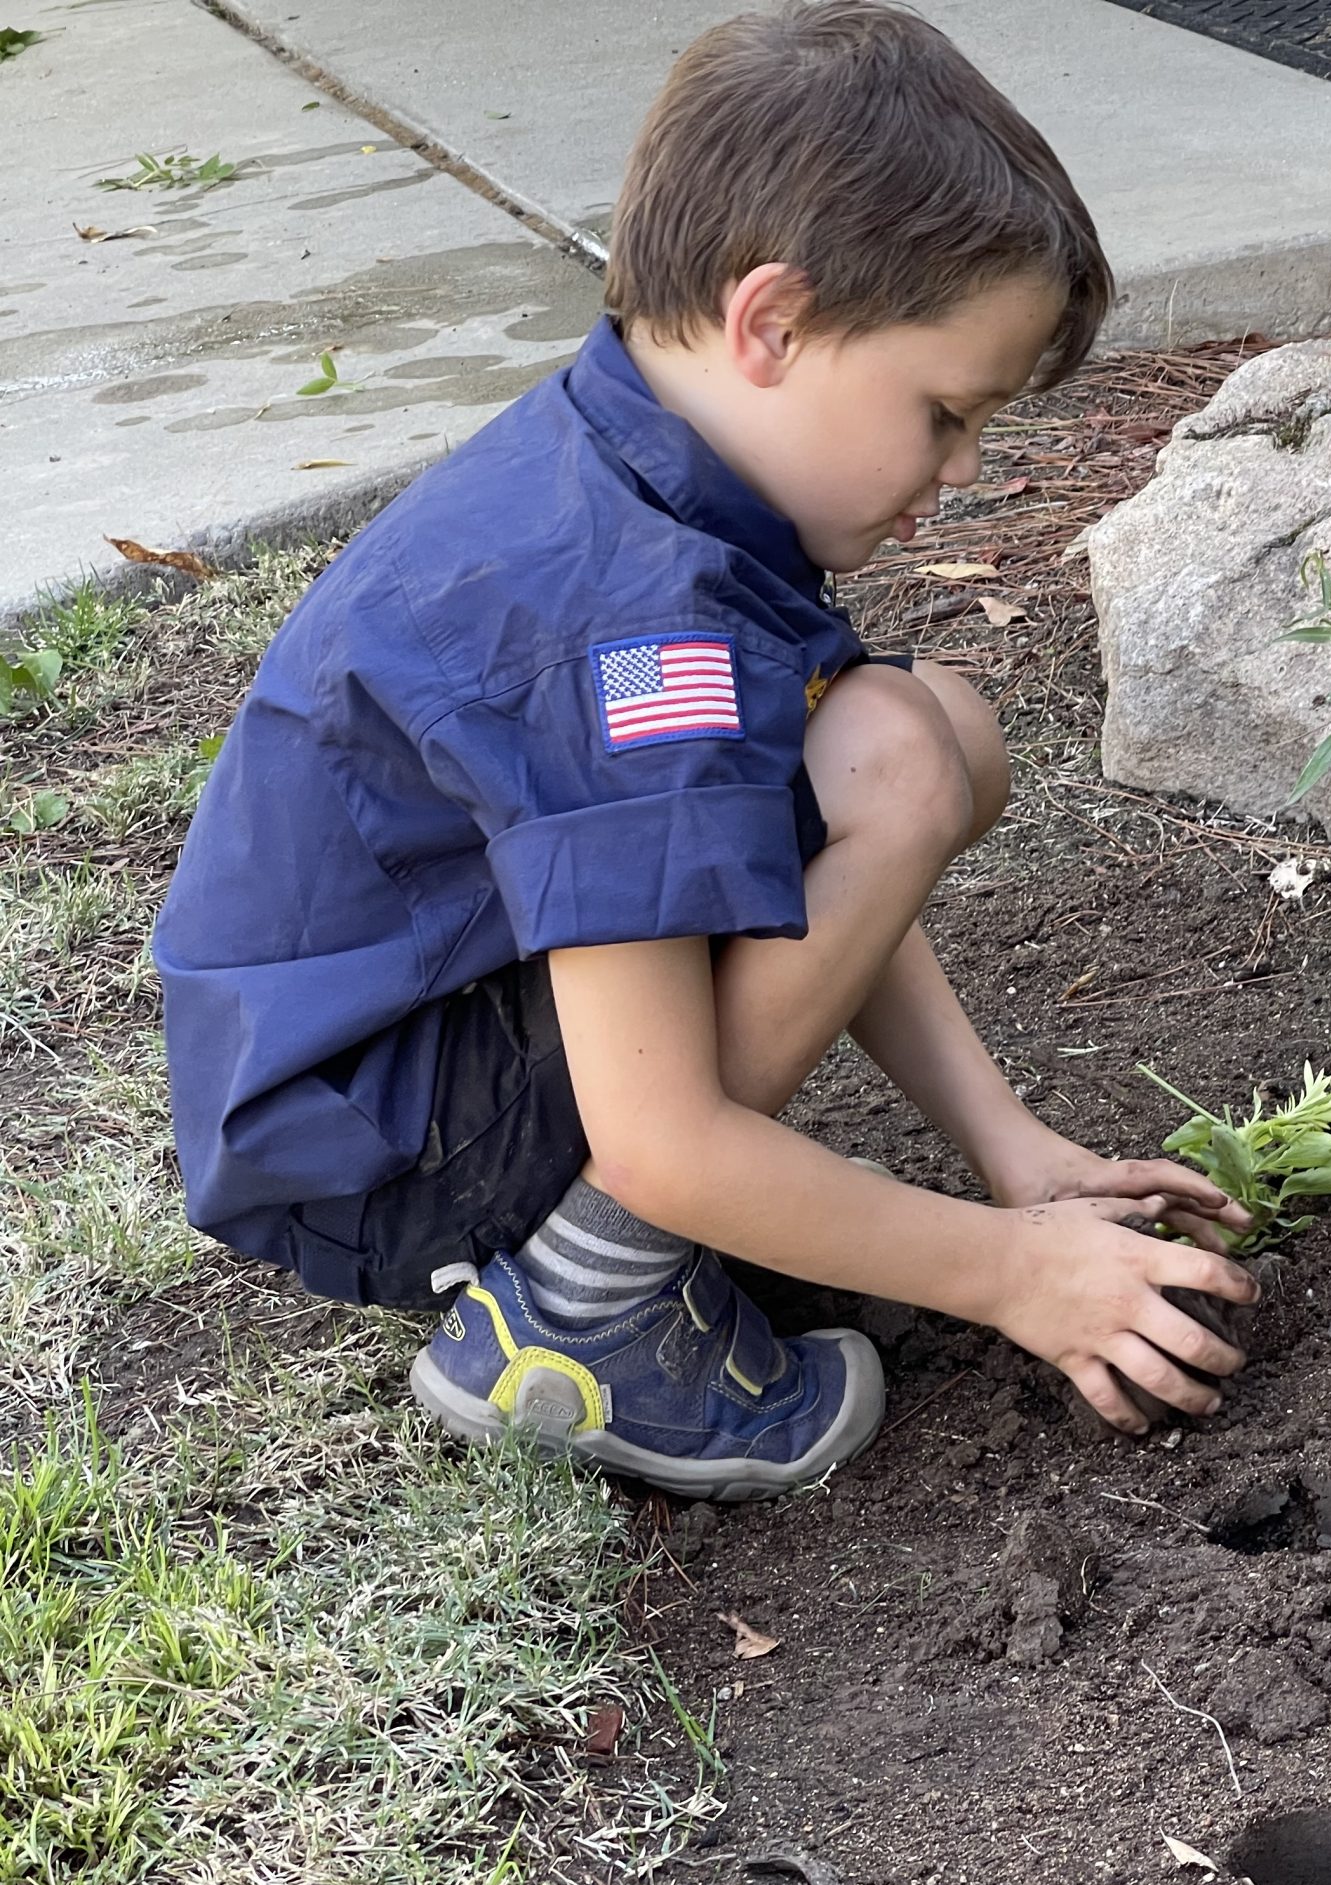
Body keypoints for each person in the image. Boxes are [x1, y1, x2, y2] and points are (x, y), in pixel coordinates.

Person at [152, 0, 1258, 1502]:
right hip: (378, 1141)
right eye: (946, 413)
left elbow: (780, 841)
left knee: (928, 736)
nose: (961, 471)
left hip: (395, 1036)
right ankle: (587, 1304)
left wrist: (1013, 1151)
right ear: (772, 324)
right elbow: (664, 1141)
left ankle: (592, 1253)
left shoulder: (655, 467)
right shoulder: (631, 629)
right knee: (894, 761)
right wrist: (1013, 1272)